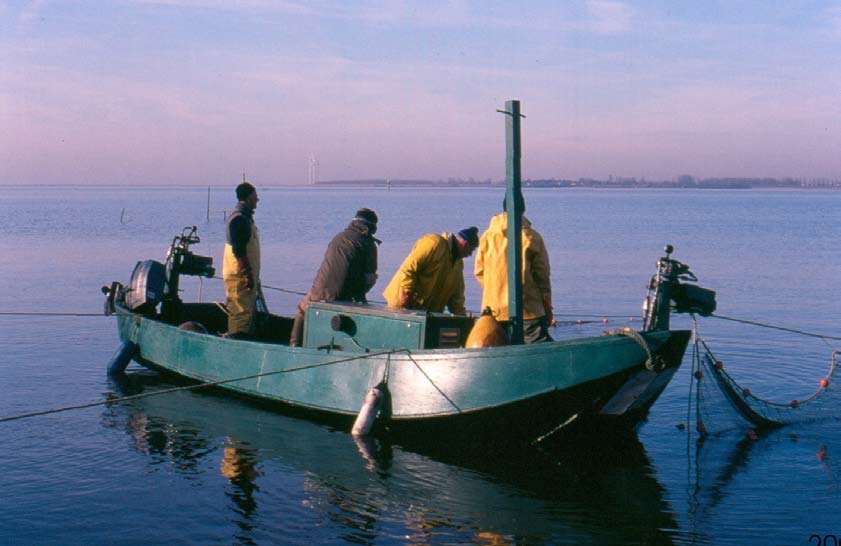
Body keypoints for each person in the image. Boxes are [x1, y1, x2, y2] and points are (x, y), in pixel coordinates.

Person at [289, 208, 380, 347]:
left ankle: (294, 345)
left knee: (302, 309)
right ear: (372, 226)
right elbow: (369, 279)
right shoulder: (369, 244)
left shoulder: (339, 236)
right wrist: (359, 295)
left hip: (318, 291)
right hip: (345, 297)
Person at [474, 196, 553, 343]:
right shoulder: (532, 237)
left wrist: (495, 290)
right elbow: (542, 277)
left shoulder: (487, 237)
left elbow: (479, 271)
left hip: (493, 310)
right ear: (523, 209)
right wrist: (547, 307)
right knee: (537, 350)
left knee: (498, 352)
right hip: (528, 309)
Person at [383, 227, 479, 315]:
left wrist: (462, 319)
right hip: (402, 306)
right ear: (465, 244)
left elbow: (456, 297)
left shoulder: (458, 264)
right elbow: (408, 269)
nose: (470, 254)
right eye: (471, 250)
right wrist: (406, 295)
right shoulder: (434, 243)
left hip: (427, 312)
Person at [223, 182, 261, 338]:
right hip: (239, 275)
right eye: (255, 197)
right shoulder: (239, 219)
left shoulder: (245, 217)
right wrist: (247, 275)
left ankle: (239, 337)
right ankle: (236, 341)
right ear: (247, 199)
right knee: (240, 311)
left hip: (242, 273)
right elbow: (238, 251)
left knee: (243, 309)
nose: (257, 200)